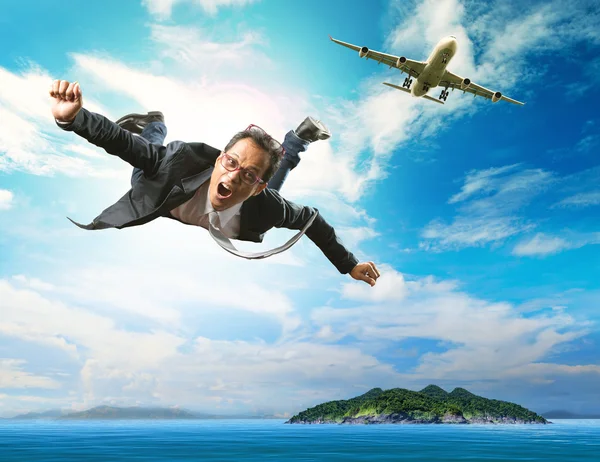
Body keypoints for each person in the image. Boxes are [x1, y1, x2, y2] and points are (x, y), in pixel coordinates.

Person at [50, 79, 381, 286]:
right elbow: (121, 141)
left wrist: (348, 265)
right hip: (164, 192)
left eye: (248, 176)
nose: (232, 176)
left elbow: (315, 222)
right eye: (231, 163)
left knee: (269, 187)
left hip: (251, 209)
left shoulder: (266, 205)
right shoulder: (171, 166)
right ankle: (155, 124)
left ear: (256, 188)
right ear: (220, 158)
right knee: (143, 167)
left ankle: (295, 141)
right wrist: (73, 118)